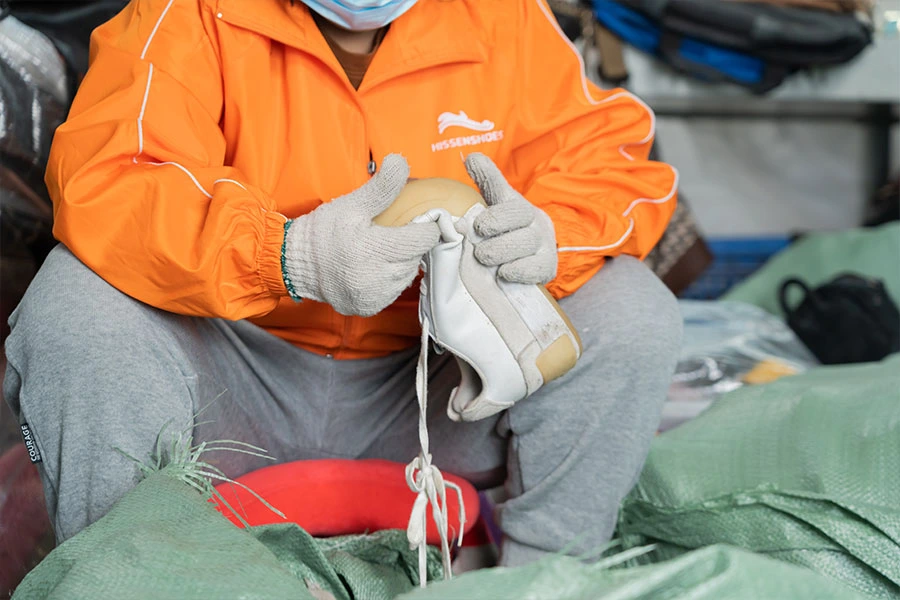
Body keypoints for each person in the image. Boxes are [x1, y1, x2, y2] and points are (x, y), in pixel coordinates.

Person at [3, 0, 682, 565]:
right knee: (75, 305)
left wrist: (551, 235)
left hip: (435, 392)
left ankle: (541, 574)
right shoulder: (189, 13)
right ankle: (133, 574)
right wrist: (288, 256)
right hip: (231, 380)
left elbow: (614, 163)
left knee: (632, 312)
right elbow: (114, 176)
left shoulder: (502, 18)